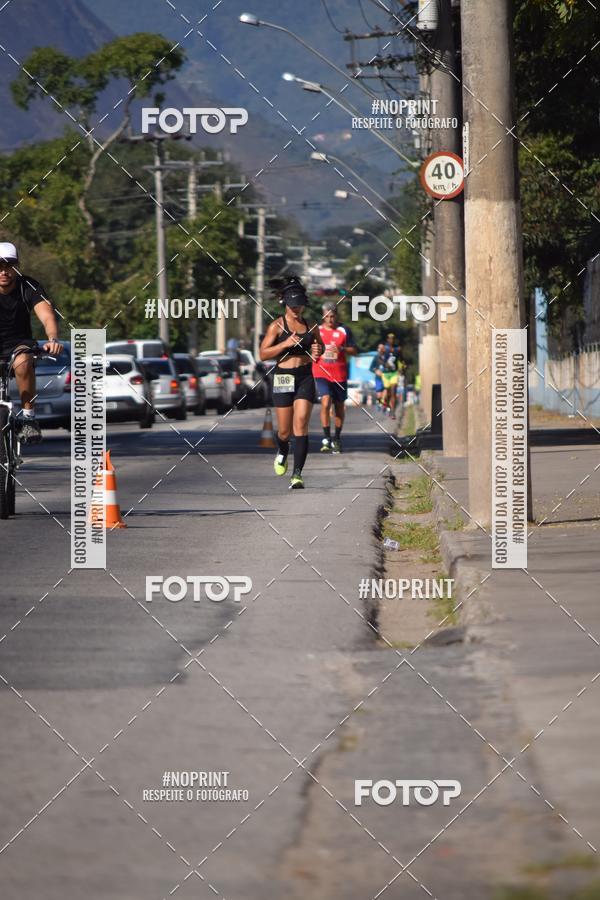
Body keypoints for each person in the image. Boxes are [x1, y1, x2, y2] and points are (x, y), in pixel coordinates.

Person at [259, 276, 324, 489]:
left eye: (300, 305)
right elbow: (263, 354)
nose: (297, 309)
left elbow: (319, 347)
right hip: (283, 376)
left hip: (305, 375)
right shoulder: (277, 326)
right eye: (293, 305)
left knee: (301, 423)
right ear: (285, 304)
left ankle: (297, 474)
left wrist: (317, 351)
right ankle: (283, 449)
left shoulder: (311, 325)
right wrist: (285, 344)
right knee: (284, 431)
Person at [0, 242, 63, 443]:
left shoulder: (28, 286)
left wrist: (53, 338)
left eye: (9, 265)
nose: (4, 271)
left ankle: (29, 419)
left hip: (19, 345)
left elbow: (46, 316)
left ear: (17, 266)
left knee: (23, 361)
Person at [313, 302, 358, 453]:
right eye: (327, 316)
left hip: (339, 375)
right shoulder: (316, 331)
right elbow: (308, 348)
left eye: (332, 316)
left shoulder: (344, 330)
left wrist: (342, 348)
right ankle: (326, 438)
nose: (330, 319)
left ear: (336, 316)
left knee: (339, 407)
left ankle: (337, 438)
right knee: (325, 402)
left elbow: (354, 350)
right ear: (323, 316)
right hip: (321, 372)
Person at [381, 332, 403, 419]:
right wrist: (384, 364)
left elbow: (401, 359)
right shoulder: (384, 349)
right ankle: (386, 403)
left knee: (393, 392)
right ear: (387, 339)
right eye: (390, 338)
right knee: (388, 393)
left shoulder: (398, 349)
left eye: (393, 338)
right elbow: (379, 358)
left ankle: (393, 412)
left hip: (394, 373)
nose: (391, 340)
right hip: (386, 374)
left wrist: (402, 367)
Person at [370, 343, 386, 410]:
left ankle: (383, 404)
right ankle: (379, 402)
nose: (380, 349)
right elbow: (371, 368)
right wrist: (376, 371)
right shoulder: (376, 357)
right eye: (379, 348)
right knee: (379, 393)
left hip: (386, 377)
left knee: (385, 391)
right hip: (378, 378)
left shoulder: (386, 356)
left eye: (381, 348)